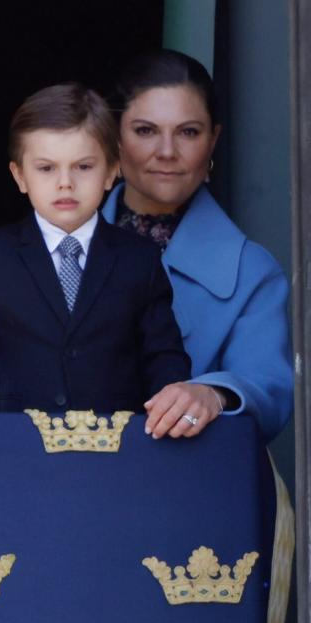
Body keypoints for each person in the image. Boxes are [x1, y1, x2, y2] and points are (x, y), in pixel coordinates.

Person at [0, 83, 191, 433]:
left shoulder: (140, 260)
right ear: (20, 176)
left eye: (83, 167)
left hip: (116, 453)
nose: (65, 183)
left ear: (111, 171)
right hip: (17, 451)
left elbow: (163, 355)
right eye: (46, 168)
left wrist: (173, 398)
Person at [102, 49, 292, 442]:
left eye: (188, 132)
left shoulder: (252, 272)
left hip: (187, 486)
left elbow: (269, 390)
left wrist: (215, 394)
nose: (167, 151)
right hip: (56, 485)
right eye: (145, 130)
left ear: (213, 141)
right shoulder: (54, 244)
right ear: (114, 138)